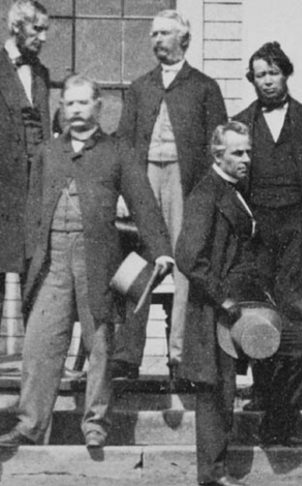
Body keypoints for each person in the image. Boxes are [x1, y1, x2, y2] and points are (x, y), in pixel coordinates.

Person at [0, 75, 173, 449]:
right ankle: (29, 425)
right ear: (61, 109)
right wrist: (28, 260)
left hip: (98, 259)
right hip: (52, 260)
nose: (76, 110)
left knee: (100, 345)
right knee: (40, 343)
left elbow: (144, 203)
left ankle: (95, 423)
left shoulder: (118, 151)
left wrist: (161, 249)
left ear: (98, 107)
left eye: (83, 103)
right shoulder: (48, 152)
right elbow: (31, 211)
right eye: (69, 103)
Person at [233, 41, 302, 445]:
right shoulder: (242, 123)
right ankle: (264, 393)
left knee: (297, 311)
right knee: (260, 314)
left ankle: (290, 405)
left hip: (298, 227)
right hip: (258, 232)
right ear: (253, 80)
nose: (267, 81)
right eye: (260, 74)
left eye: (273, 73)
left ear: (285, 74)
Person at [112, 9, 227, 379]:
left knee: (184, 264)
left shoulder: (204, 87)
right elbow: (124, 143)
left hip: (187, 184)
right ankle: (128, 355)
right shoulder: (140, 87)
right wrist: (121, 191)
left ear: (185, 40)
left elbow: (218, 144)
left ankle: (180, 355)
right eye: (153, 34)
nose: (157, 40)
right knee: (140, 262)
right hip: (143, 180)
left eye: (165, 33)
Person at [176, 121, 260, 486]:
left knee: (224, 389)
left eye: (248, 152)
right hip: (211, 309)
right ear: (218, 155)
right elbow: (188, 256)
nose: (245, 159)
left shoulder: (233, 190)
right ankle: (212, 475)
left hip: (231, 307)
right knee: (213, 391)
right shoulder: (205, 193)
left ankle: (217, 469)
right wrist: (222, 296)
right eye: (237, 153)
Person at [0, 0, 50, 319]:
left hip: (35, 190)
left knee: (35, 274)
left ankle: (35, 361)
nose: (43, 37)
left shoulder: (42, 73)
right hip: (2, 191)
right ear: (17, 26)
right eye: (37, 28)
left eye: (45, 30)